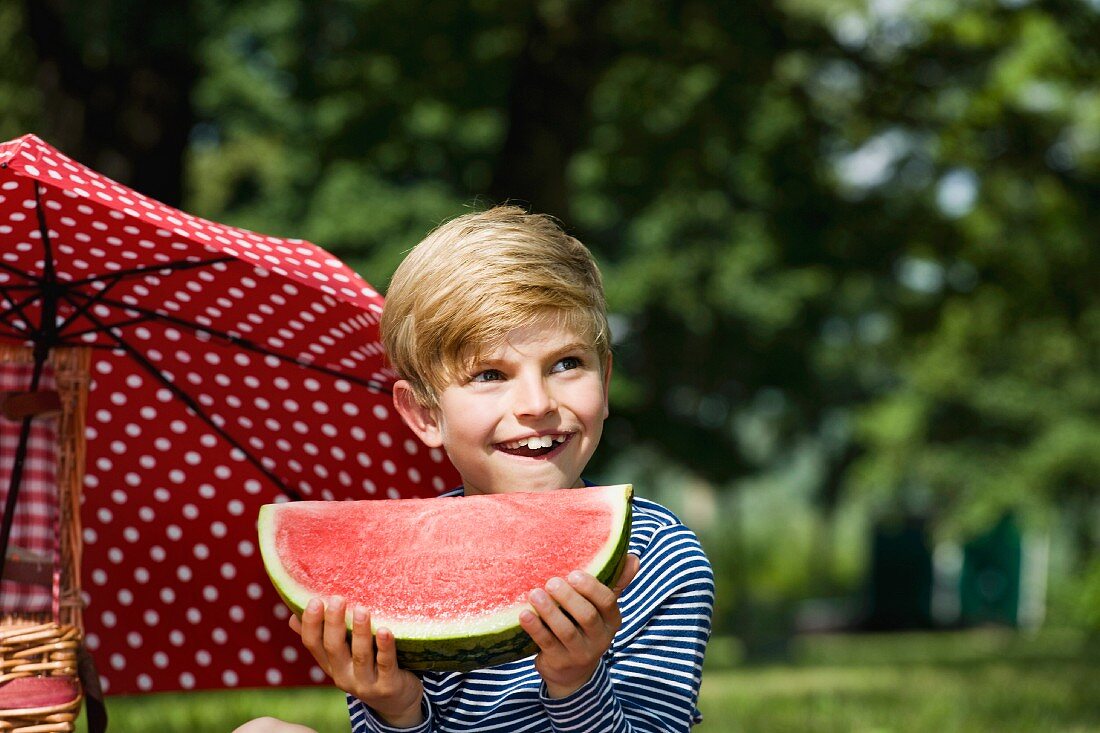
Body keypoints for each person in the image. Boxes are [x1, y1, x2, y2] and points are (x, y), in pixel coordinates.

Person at [235, 206, 714, 732]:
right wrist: (394, 708)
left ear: (605, 383)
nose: (536, 402)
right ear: (423, 414)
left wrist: (576, 681)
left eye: (566, 364)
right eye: (490, 374)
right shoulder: (403, 562)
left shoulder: (659, 558)